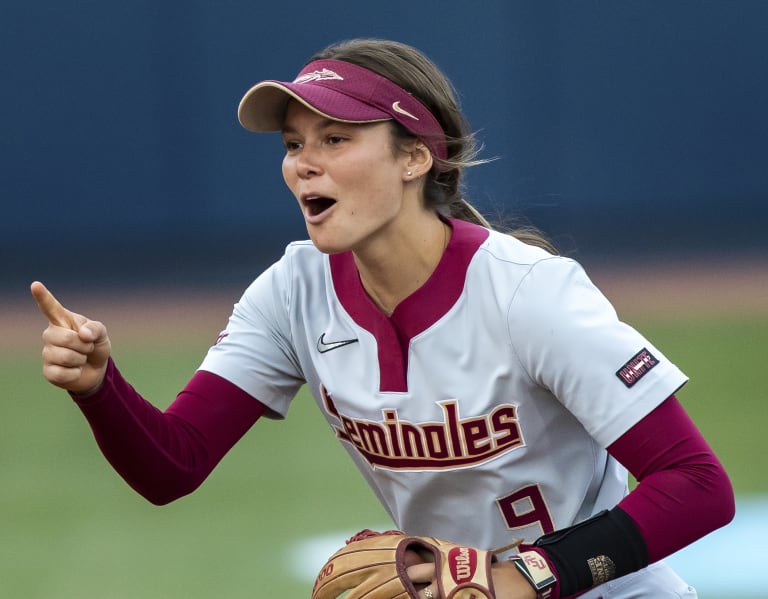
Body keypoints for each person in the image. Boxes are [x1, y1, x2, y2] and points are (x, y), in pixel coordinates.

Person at [31, 38, 734, 599]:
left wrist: (526, 574)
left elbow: (698, 484)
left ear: (415, 158)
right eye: (293, 143)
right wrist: (99, 387)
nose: (304, 163)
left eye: (335, 139)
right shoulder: (293, 292)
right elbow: (171, 465)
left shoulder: (529, 294)